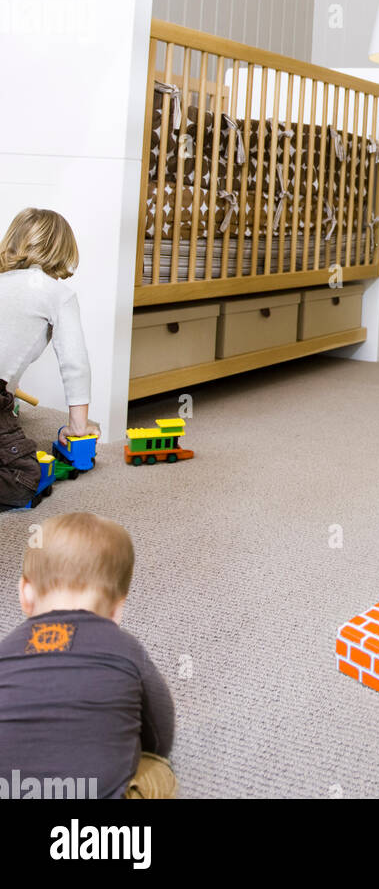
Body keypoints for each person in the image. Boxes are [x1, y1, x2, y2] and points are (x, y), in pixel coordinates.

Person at [0, 512, 177, 799]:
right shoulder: (126, 650)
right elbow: (160, 731)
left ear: (25, 593)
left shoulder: (5, 652)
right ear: (117, 609)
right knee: (159, 771)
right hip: (90, 833)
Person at [0, 208, 96, 510]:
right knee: (23, 477)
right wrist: (77, 427)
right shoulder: (57, 294)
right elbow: (74, 363)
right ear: (63, 251)